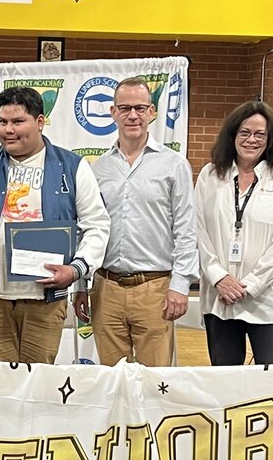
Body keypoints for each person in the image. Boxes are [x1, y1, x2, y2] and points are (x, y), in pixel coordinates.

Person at [0, 86, 109, 365]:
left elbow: (97, 225)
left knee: (37, 387)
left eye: (18, 121)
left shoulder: (72, 167)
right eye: (3, 122)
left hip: (44, 302)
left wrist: (76, 268)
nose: (8, 130)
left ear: (40, 122)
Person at [71, 78, 197, 367]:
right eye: (125, 108)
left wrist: (180, 285)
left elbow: (186, 230)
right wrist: (80, 285)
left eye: (140, 108)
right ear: (113, 112)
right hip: (106, 288)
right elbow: (85, 230)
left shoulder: (174, 164)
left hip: (155, 288)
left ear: (152, 111)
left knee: (155, 381)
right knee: (112, 380)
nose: (133, 115)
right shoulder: (98, 168)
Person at [194, 101, 273, 366]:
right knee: (226, 386)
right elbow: (197, 231)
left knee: (272, 385)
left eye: (260, 134)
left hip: (266, 303)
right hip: (221, 301)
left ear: (270, 139)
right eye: (244, 132)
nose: (251, 140)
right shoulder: (210, 175)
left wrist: (250, 285)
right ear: (232, 134)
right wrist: (219, 278)